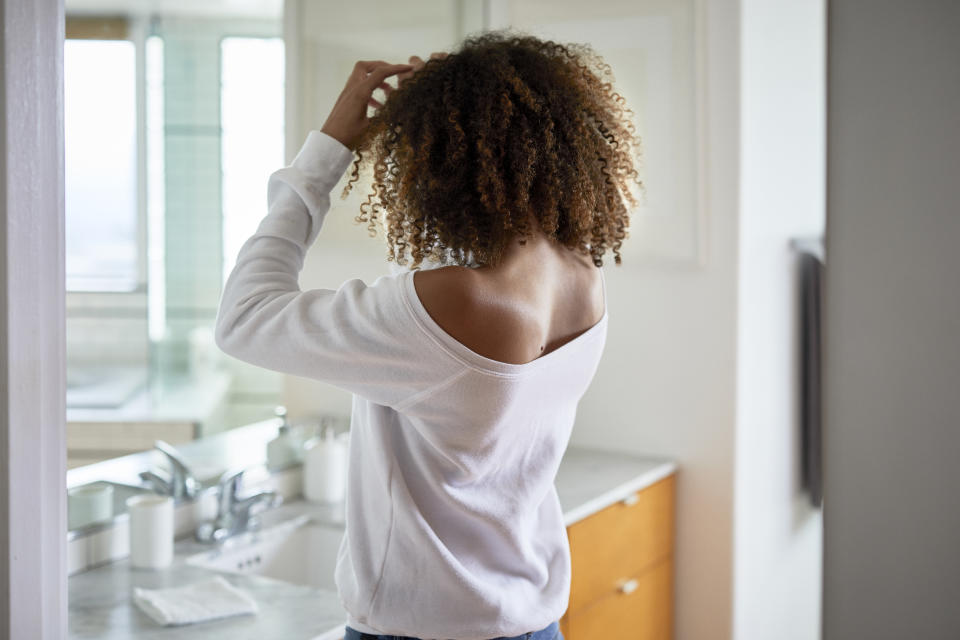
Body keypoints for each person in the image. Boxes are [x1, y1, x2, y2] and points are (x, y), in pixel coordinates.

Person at [215, 30, 642, 640]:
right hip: (534, 623)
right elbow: (457, 270)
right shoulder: (580, 272)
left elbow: (244, 318)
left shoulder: (452, 301)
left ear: (438, 163)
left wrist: (327, 153)